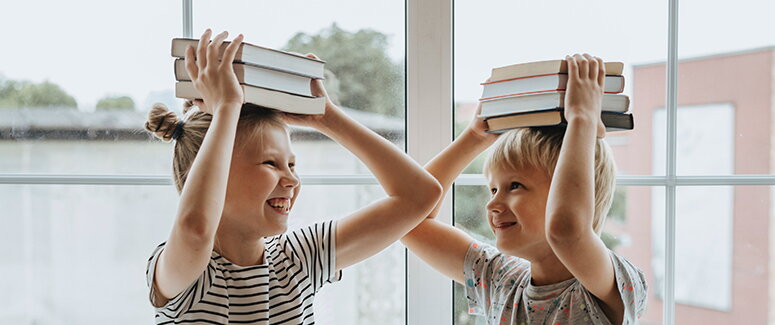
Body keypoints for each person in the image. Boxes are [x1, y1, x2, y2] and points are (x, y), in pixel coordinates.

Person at [143, 29, 441, 324]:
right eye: (271, 163)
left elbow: (420, 196)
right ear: (214, 173)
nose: (292, 181)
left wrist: (327, 118)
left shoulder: (298, 257)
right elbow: (196, 230)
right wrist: (226, 109)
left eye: (293, 165)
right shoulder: (186, 275)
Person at [401, 54, 647, 324]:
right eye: (493, 190)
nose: (492, 205)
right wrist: (472, 139)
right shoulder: (501, 279)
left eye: (514, 186)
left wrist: (583, 120)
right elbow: (406, 220)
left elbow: (566, 231)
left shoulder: (610, 283)